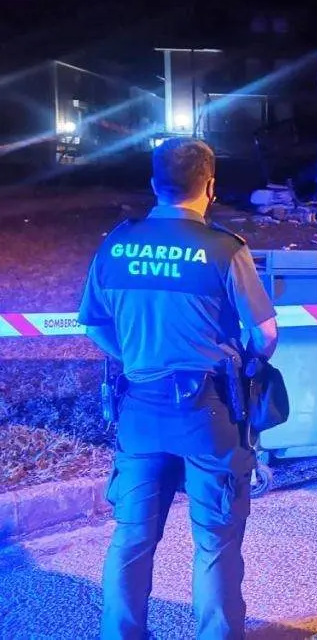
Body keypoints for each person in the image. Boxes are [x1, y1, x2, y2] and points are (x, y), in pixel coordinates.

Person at [78, 138, 278, 639]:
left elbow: (95, 324)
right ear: (210, 186)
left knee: (131, 538)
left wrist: (138, 357)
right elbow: (265, 335)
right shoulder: (224, 249)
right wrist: (244, 360)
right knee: (214, 541)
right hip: (208, 413)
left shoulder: (117, 244)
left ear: (154, 184)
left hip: (139, 410)